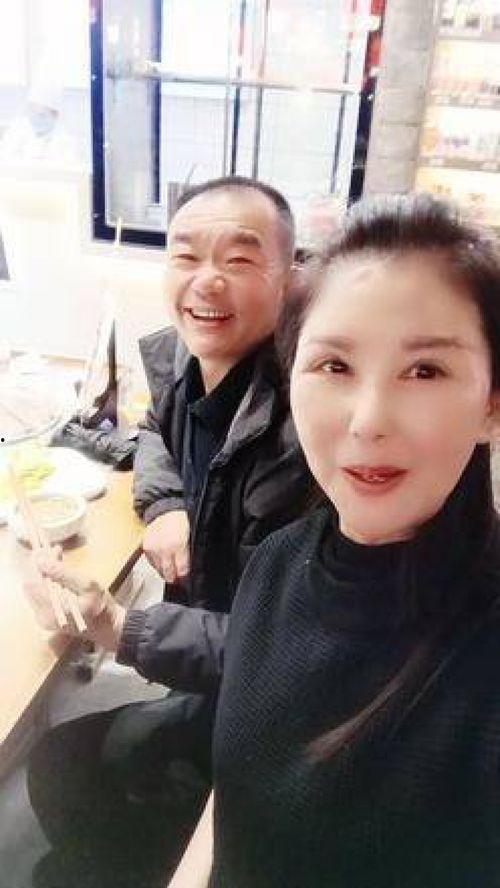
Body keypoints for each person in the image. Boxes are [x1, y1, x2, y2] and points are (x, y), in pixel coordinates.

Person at [168, 192, 500, 887]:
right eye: (335, 366)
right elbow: (237, 796)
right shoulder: (277, 563)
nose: (368, 421)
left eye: (426, 370)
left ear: (491, 406)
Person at [26, 176, 313, 888]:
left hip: (269, 712)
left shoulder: (300, 432)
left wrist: (125, 627)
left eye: (239, 259)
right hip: (209, 653)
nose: (206, 279)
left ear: (289, 280)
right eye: (186, 255)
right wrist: (165, 505)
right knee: (67, 769)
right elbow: (153, 429)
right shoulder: (188, 366)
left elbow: (282, 652)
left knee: (68, 764)